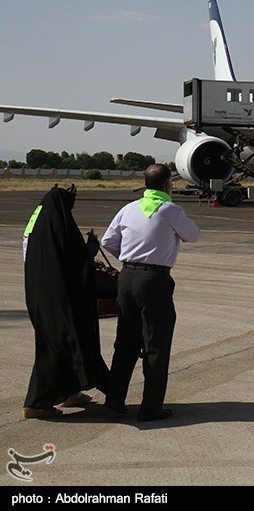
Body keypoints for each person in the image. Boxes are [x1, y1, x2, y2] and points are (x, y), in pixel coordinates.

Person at [101, 164, 201, 422]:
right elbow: (193, 235)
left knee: (125, 342)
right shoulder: (171, 210)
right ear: (168, 185)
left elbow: (108, 241)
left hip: (127, 277)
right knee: (155, 345)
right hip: (154, 280)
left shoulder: (128, 209)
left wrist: (128, 259)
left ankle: (114, 400)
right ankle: (150, 407)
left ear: (145, 184)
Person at [22, 185, 109, 419]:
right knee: (58, 347)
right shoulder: (59, 229)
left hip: (42, 297)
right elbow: (74, 261)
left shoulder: (39, 227)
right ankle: (36, 404)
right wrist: (90, 248)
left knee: (68, 343)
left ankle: (71, 392)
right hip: (57, 299)